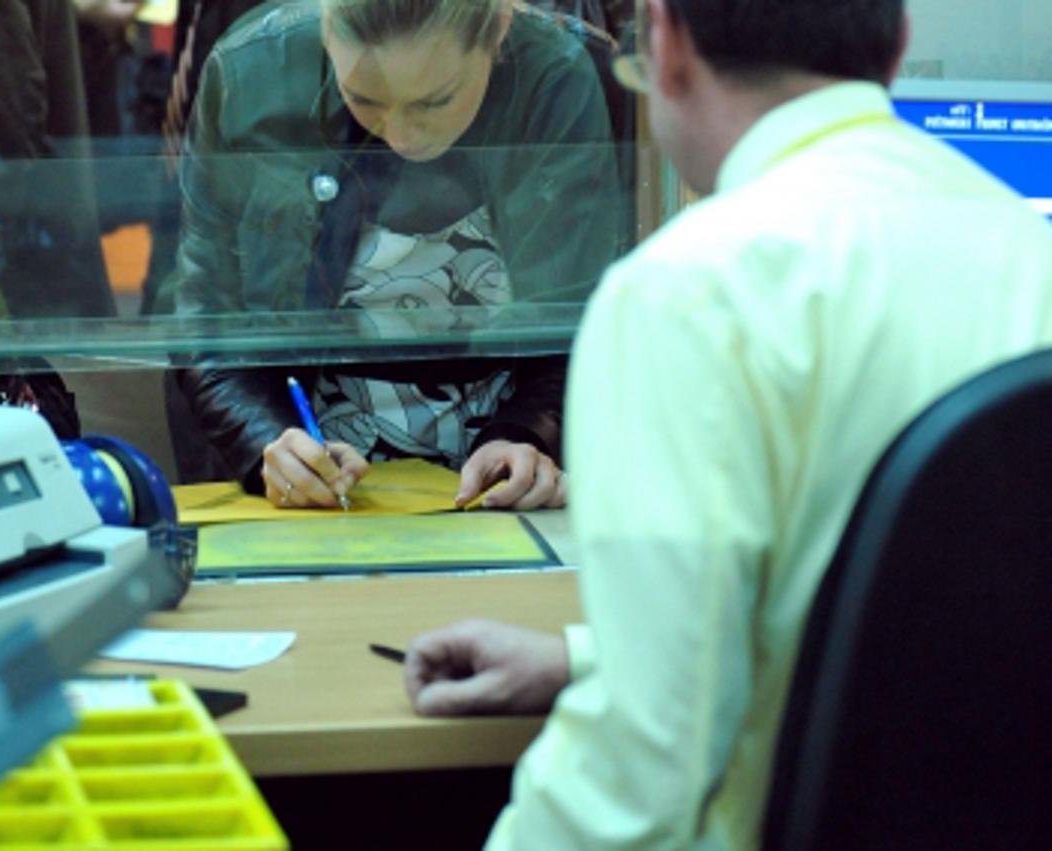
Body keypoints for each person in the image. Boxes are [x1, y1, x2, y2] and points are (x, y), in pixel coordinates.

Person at [403, 0, 1052, 847]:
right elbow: (941, 630)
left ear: (664, 41)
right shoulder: (1023, 248)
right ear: (896, 49)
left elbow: (640, 777)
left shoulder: (689, 292)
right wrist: (588, 659)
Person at [160, 0, 628, 508]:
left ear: (497, 30)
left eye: (435, 101)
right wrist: (268, 442)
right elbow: (206, 320)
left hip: (503, 477)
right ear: (325, 30)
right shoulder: (253, 72)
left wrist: (528, 434)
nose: (402, 136)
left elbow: (584, 320)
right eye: (364, 98)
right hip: (300, 478)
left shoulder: (557, 76)